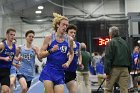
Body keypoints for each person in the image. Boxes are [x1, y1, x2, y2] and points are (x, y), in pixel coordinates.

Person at [39, 13, 74, 93]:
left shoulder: (69, 40)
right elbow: (40, 54)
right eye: (63, 24)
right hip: (49, 71)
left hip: (60, 72)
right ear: (58, 25)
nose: (65, 27)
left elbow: (71, 53)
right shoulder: (49, 38)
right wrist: (51, 50)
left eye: (66, 25)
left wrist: (68, 62)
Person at [104, 26, 132, 93]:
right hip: (125, 69)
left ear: (111, 34)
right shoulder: (125, 43)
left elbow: (108, 58)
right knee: (124, 89)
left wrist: (107, 72)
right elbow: (129, 57)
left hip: (114, 69)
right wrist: (129, 70)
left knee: (108, 89)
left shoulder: (110, 43)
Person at [64, 24, 82, 93]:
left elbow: (79, 55)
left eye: (74, 33)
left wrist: (80, 62)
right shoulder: (63, 44)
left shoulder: (78, 44)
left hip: (72, 72)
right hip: (62, 72)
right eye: (71, 32)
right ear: (66, 33)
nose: (73, 34)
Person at [0, 28, 16, 93]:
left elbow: (10, 60)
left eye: (14, 35)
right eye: (11, 34)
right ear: (7, 35)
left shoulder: (14, 47)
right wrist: (4, 58)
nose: (13, 36)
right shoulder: (2, 45)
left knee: (6, 90)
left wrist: (15, 65)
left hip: (6, 71)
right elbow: (6, 58)